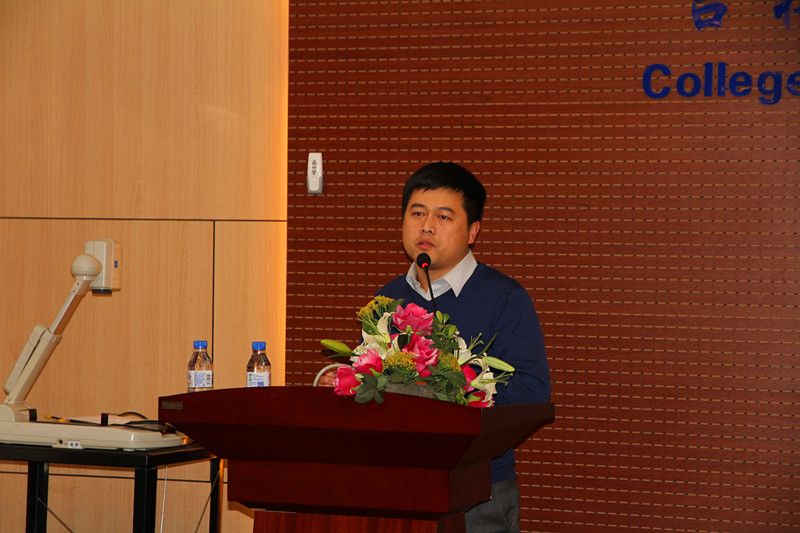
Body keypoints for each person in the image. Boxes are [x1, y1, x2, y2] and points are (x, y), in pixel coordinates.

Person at [319, 161, 551, 532]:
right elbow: (370, 375)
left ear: (472, 231)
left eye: (443, 216)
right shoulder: (388, 298)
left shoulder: (505, 298)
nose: (426, 226)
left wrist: (460, 393)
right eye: (417, 213)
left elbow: (532, 392)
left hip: (478, 490)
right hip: (397, 485)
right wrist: (347, 383)